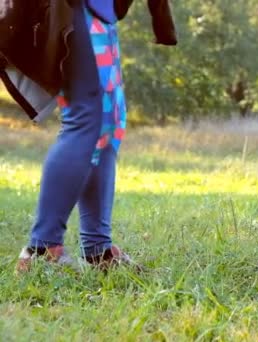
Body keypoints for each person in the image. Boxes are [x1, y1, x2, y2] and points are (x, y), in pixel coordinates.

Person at [6, 0, 177, 271]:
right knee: (88, 119)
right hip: (73, 7)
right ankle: (41, 249)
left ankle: (98, 251)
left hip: (98, 10)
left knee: (109, 122)